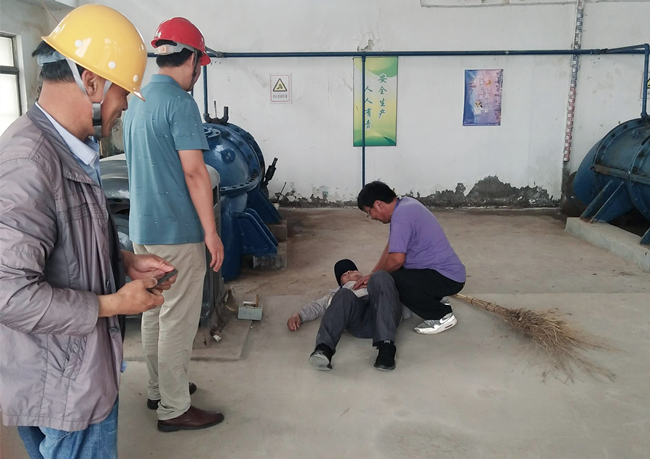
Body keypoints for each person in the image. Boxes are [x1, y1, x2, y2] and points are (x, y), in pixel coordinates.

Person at [0, 5, 178, 458]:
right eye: (123, 93)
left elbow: (63, 244)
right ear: (92, 83)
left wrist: (124, 260)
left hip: (74, 369)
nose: (124, 108)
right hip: (63, 387)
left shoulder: (69, 148)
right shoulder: (28, 163)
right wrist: (114, 304)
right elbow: (10, 295)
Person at [122, 17, 225, 432]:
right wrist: (211, 233)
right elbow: (195, 173)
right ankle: (175, 408)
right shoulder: (181, 104)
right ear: (194, 60)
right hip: (177, 231)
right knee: (178, 321)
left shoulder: (136, 99)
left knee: (153, 310)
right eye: (200, 64)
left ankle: (158, 389)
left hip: (142, 230)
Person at [355, 181, 466, 335]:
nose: (372, 217)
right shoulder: (405, 205)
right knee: (389, 273)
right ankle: (436, 298)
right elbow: (391, 248)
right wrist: (373, 274)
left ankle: (441, 315)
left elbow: (396, 260)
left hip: (447, 277)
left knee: (393, 279)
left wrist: (377, 276)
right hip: (443, 273)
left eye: (369, 212)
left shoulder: (401, 215)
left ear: (379, 204)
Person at [288, 259, 403, 371]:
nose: (349, 272)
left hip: (385, 315)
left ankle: (386, 348)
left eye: (353, 270)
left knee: (381, 275)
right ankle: (323, 349)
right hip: (359, 321)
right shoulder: (336, 293)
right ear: (340, 282)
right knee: (343, 294)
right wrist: (298, 315)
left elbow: (396, 296)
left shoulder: (375, 280)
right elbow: (316, 306)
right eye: (344, 274)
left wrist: (373, 282)